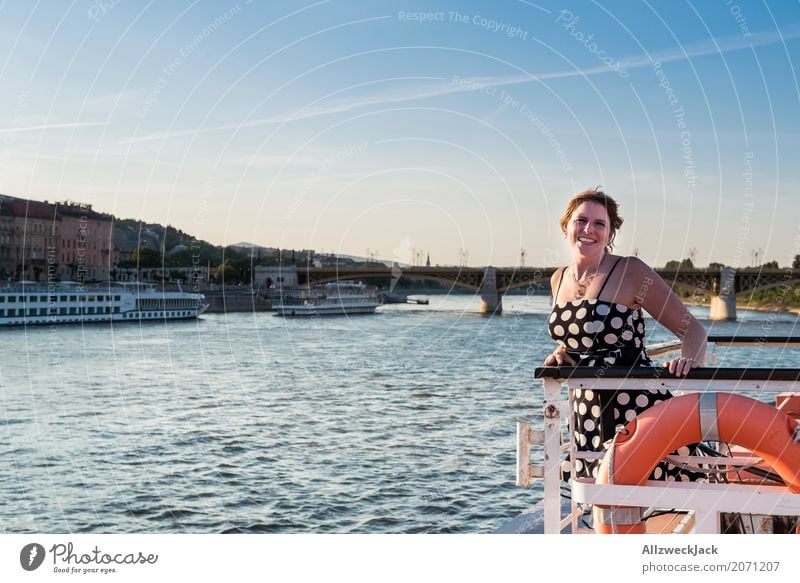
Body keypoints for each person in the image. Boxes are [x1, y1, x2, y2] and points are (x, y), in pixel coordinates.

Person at [543, 187, 707, 481]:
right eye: (581, 220)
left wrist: (690, 362)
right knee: (597, 504)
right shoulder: (558, 279)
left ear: (610, 234)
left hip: (636, 408)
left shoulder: (631, 272)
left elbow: (693, 330)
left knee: (646, 499)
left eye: (599, 224)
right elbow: (581, 340)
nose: (588, 229)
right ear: (565, 225)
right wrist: (563, 353)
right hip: (586, 411)